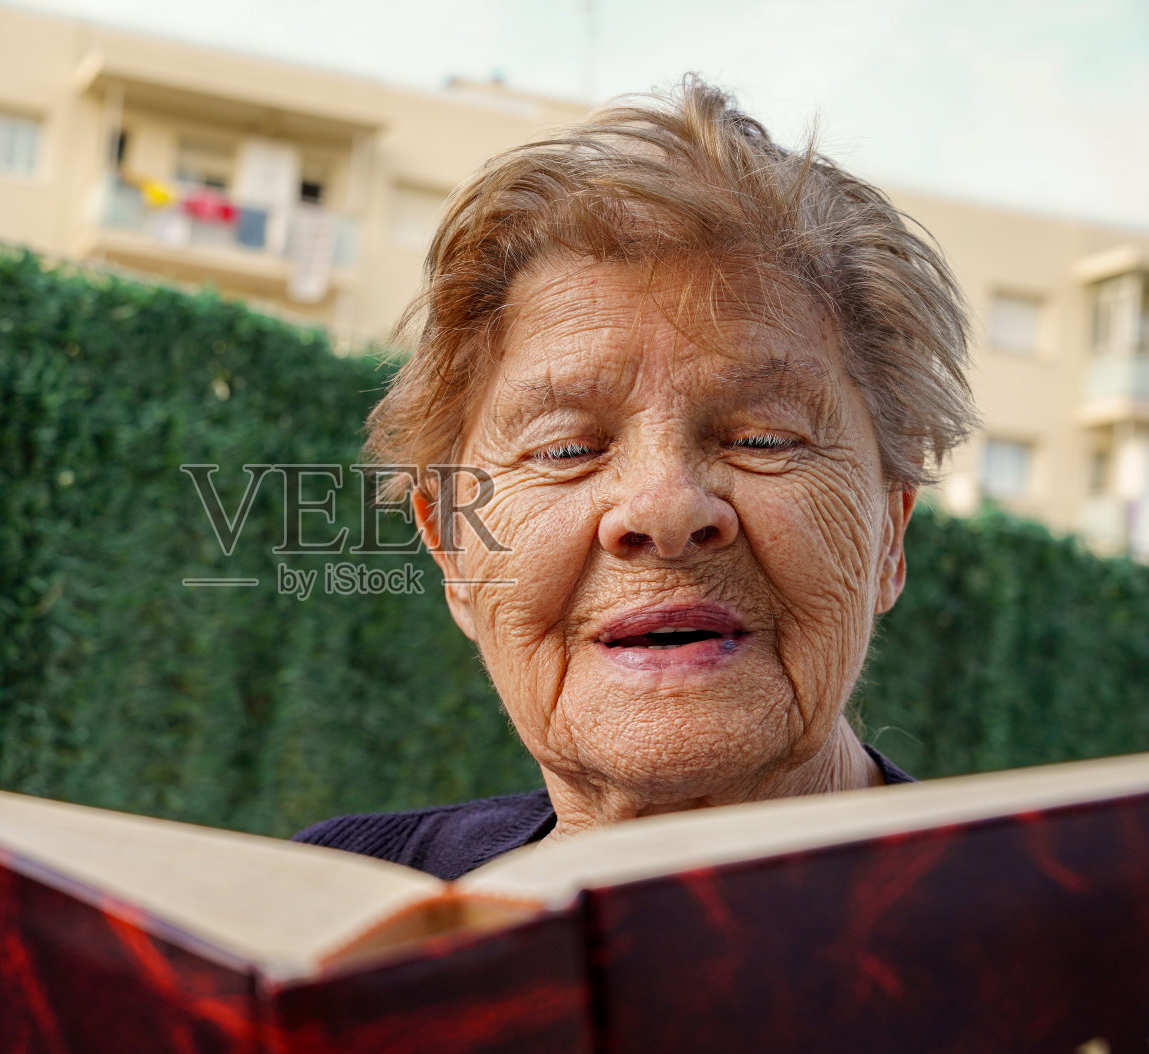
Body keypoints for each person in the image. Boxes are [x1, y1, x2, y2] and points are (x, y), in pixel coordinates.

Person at [295, 77, 976, 880]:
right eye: (563, 449)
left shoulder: (1074, 960)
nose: (664, 507)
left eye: (762, 437)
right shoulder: (330, 900)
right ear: (452, 552)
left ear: (889, 536)